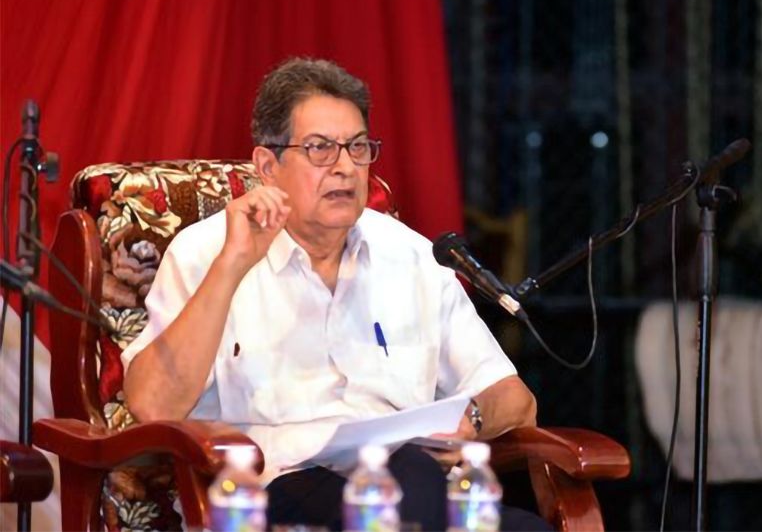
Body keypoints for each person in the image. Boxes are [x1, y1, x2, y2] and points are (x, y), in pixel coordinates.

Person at [120, 57, 549, 531]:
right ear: (268, 166)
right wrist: (232, 267)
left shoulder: (413, 256)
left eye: (358, 147)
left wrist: (473, 418)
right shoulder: (207, 253)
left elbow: (515, 399)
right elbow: (153, 407)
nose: (345, 168)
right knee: (405, 488)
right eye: (321, 149)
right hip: (274, 492)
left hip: (414, 484)